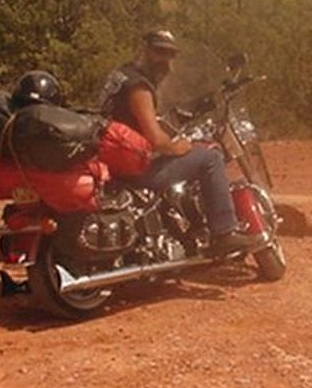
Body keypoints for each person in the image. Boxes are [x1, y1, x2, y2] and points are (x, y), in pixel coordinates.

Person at [100, 29, 258, 258]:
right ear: (144, 50)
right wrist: (178, 146)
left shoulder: (120, 76)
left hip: (114, 159)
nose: (165, 60)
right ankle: (224, 233)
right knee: (210, 158)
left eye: (170, 54)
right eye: (159, 52)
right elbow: (156, 140)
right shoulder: (139, 87)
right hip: (135, 165)